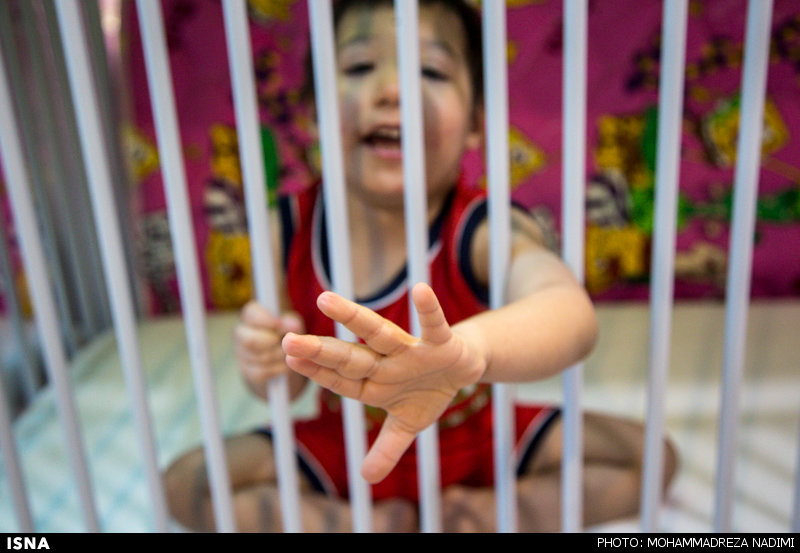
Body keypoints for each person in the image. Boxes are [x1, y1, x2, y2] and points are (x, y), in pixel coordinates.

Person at [164, 0, 677, 532]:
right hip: (349, 448)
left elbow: (569, 312)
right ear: (315, 113)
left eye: (430, 71)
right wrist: (265, 361)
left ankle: (479, 517)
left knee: (650, 459)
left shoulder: (482, 228)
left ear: (475, 124)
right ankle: (373, 523)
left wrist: (470, 350)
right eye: (361, 66)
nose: (394, 90)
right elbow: (287, 389)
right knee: (188, 483)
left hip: (477, 441)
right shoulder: (287, 229)